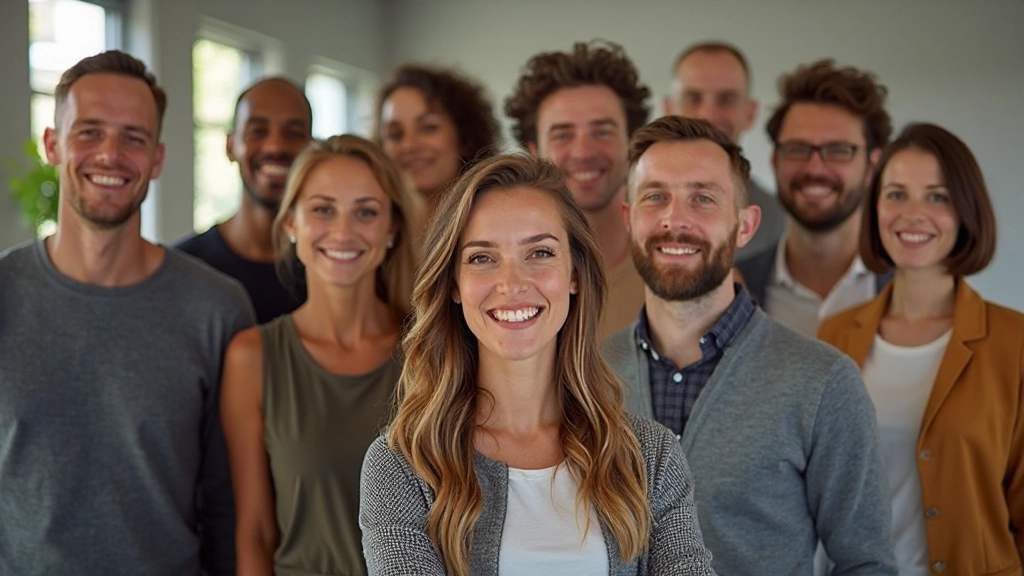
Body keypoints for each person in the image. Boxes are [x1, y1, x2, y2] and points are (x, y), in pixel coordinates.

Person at [360, 154, 716, 576]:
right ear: (453, 284)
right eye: (481, 258)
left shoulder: (650, 457)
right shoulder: (403, 465)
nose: (512, 283)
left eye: (540, 252)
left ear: (575, 275)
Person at [603, 116, 897, 575]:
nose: (674, 219)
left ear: (745, 225)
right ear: (628, 218)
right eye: (655, 196)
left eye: (703, 198)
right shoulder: (586, 376)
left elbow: (867, 563)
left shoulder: (822, 381)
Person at [0, 50, 254, 575]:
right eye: (89, 132)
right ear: (53, 144)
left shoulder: (216, 308)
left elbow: (229, 503)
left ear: (157, 159)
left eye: (133, 137)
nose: (110, 154)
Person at [818, 123, 1023, 575]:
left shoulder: (1015, 344)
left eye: (937, 196)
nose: (912, 214)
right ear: (874, 209)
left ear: (966, 210)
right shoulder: (833, 336)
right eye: (895, 195)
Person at [220, 134, 417, 576]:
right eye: (323, 209)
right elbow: (255, 533)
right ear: (291, 223)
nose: (343, 232)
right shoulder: (252, 358)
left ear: (392, 228)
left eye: (365, 212)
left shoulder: (432, 351)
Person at [736, 59, 893, 337]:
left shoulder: (910, 285)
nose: (815, 168)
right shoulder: (733, 289)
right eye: (797, 149)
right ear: (775, 160)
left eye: (838, 150)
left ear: (872, 166)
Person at [505, 40, 650, 338]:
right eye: (563, 135)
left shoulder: (669, 265)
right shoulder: (508, 279)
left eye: (602, 132)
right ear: (534, 151)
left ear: (632, 142)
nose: (583, 151)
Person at [177, 77, 313, 323]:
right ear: (231, 146)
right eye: (257, 132)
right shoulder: (184, 268)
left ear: (311, 148)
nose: (275, 146)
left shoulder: (331, 270)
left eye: (294, 133)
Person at [663, 41, 785, 257]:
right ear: (668, 109)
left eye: (726, 100)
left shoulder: (779, 222)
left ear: (750, 113)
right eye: (693, 98)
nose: (708, 115)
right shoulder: (628, 205)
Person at [376, 63, 501, 219]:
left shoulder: (494, 222)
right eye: (395, 134)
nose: (409, 145)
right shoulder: (374, 230)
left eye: (428, 128)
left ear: (465, 137)